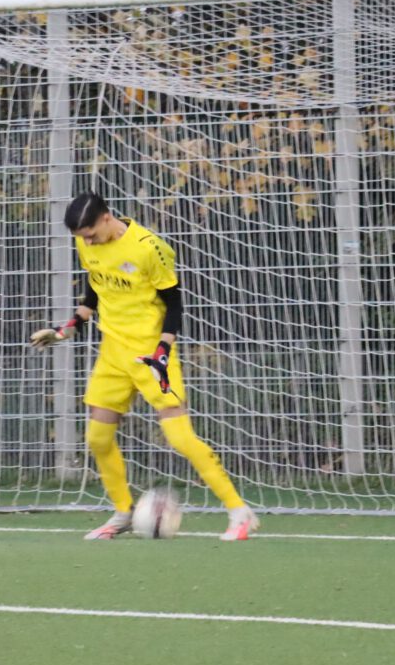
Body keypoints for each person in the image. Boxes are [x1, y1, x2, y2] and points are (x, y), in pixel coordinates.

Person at [31, 191, 259, 541]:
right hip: (112, 352)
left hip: (150, 354)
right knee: (97, 437)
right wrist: (66, 329)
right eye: (81, 238)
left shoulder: (149, 248)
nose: (86, 242)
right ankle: (123, 513)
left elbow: (174, 304)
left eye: (90, 234)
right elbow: (96, 287)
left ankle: (239, 512)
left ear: (106, 218)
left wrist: (163, 350)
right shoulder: (87, 243)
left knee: (180, 437)